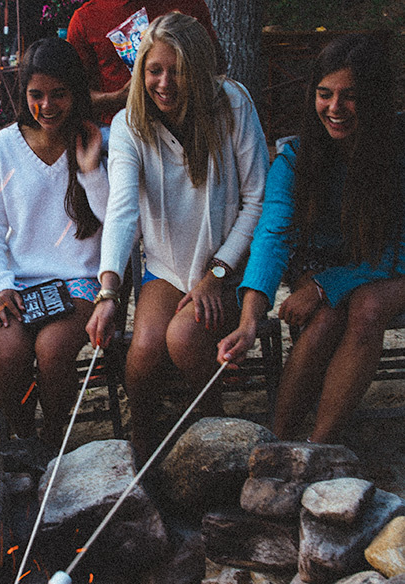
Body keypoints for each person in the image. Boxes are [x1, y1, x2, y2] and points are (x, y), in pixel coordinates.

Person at [86, 12, 268, 463]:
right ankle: (144, 451)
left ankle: (217, 438)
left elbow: (257, 200)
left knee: (184, 339)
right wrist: (108, 291)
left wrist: (218, 272)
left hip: (230, 262)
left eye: (178, 69)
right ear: (141, 71)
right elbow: (123, 208)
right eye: (154, 69)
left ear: (199, 69)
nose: (164, 82)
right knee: (142, 355)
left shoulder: (233, 104)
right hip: (166, 264)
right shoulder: (130, 123)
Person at [218, 34, 405, 444]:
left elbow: (398, 247)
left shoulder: (396, 150)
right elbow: (272, 236)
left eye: (350, 96)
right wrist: (249, 322)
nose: (335, 109)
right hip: (325, 262)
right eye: (324, 94)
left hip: (392, 263)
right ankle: (279, 445)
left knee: (367, 308)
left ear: (374, 96)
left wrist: (326, 286)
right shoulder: (297, 159)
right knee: (324, 320)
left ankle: (318, 446)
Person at [0, 37, 108, 449]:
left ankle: (53, 437)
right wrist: (1, 285)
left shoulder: (95, 141)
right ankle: (23, 437)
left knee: (51, 349)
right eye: (36, 95)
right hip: (19, 280)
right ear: (23, 93)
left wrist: (90, 171)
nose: (47, 106)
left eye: (59, 94)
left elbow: (120, 224)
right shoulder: (3, 146)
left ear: (76, 92)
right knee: (11, 352)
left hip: (80, 280)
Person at [67, 0, 226, 127]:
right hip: (123, 132)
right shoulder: (87, 18)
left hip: (188, 127)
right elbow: (72, 95)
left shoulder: (188, 5)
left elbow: (216, 65)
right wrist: (117, 97)